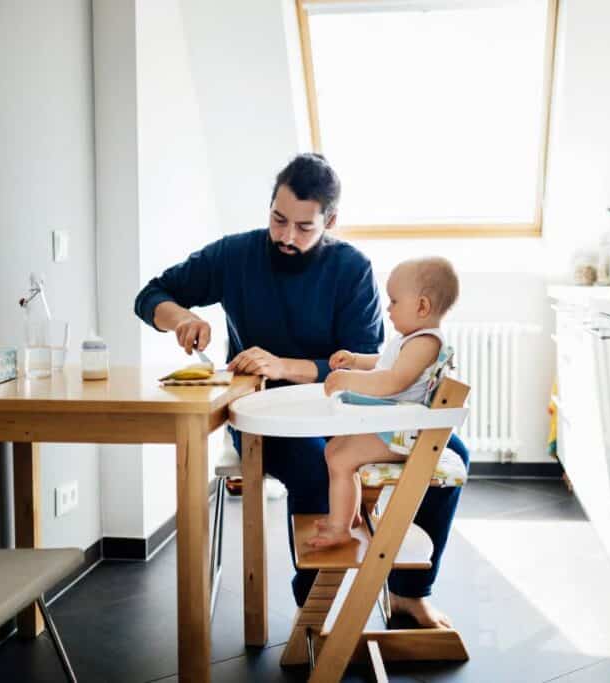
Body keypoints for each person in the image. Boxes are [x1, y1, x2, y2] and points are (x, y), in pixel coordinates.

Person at [134, 153, 468, 628]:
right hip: (263, 417)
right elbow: (151, 294)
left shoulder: (351, 268)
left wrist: (286, 365)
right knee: (315, 465)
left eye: (304, 227)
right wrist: (181, 317)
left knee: (450, 449)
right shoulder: (234, 255)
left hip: (348, 412)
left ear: (330, 221)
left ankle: (408, 595)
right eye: (278, 219)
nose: (287, 236)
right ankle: (314, 612)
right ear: (270, 207)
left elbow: (364, 358)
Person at [311, 257, 459, 549]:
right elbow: (383, 364)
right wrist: (355, 360)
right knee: (335, 449)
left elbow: (392, 381)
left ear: (422, 306)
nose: (388, 309)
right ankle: (348, 515)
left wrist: (348, 379)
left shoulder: (424, 343)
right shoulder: (412, 341)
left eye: (393, 301)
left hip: (404, 435)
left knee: (341, 459)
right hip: (394, 426)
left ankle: (340, 527)